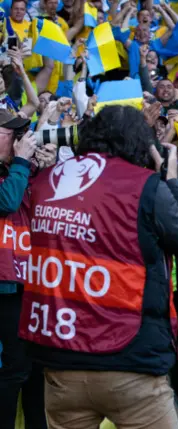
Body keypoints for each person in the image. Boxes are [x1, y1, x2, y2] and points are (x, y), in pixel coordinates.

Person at [18, 105, 178, 428]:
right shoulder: (146, 185)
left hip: (61, 363)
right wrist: (172, 180)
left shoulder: (46, 182)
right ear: (142, 143)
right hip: (131, 362)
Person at [0, 110, 44, 429]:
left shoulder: (18, 170)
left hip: (25, 284)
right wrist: (21, 164)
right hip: (3, 289)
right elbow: (7, 201)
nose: (19, 141)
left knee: (33, 370)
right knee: (13, 370)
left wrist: (37, 168)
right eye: (10, 134)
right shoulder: (14, 172)